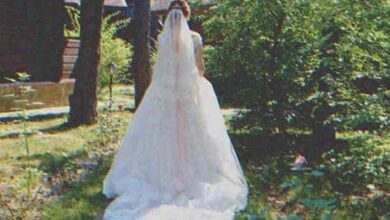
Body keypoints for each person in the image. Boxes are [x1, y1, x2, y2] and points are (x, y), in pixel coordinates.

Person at [102, 1, 248, 219]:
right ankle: (190, 176)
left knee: (164, 134)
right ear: (187, 15)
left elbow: (161, 68)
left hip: (165, 93)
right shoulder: (195, 38)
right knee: (197, 135)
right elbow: (199, 69)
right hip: (190, 94)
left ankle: (165, 177)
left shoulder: (163, 39)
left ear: (169, 16)